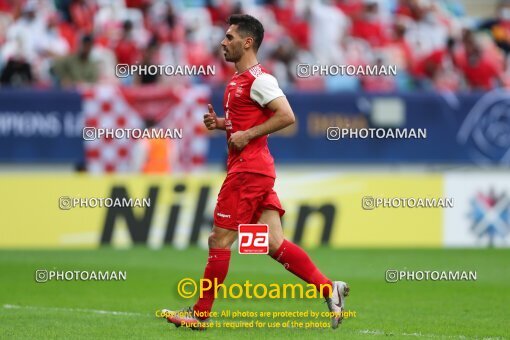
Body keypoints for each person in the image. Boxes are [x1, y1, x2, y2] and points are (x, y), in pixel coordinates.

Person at [163, 14, 349, 331]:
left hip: (248, 171)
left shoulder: (260, 79)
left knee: (218, 239)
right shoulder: (237, 81)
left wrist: (247, 136)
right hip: (255, 170)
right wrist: (222, 125)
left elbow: (287, 115)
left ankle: (200, 314)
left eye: (230, 37)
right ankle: (328, 287)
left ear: (247, 42)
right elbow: (245, 122)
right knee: (272, 244)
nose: (223, 42)